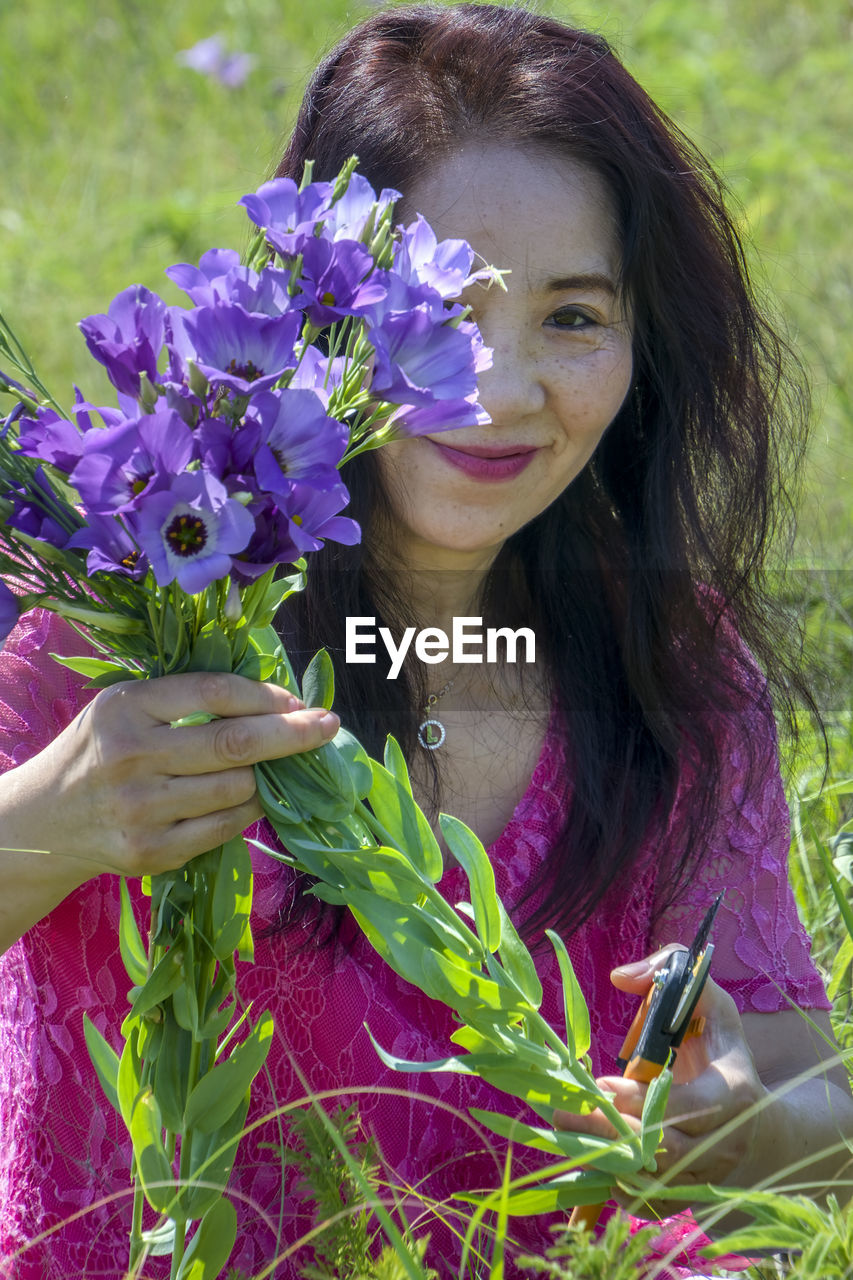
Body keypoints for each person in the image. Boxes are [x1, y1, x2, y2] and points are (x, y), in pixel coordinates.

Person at [0, 5, 850, 1278]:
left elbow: (813, 1100)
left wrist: (739, 1125)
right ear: (313, 305)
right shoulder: (124, 618)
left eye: (572, 317)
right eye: (437, 309)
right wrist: (46, 821)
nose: (500, 388)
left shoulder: (674, 657)